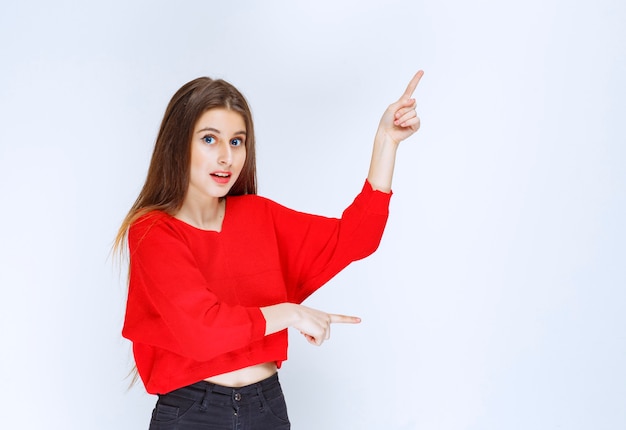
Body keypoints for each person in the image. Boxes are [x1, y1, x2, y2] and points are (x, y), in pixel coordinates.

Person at [115, 70, 424, 429]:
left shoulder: (257, 215)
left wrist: (387, 142)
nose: (226, 157)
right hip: (191, 414)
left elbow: (356, 239)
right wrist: (290, 313)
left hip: (267, 408)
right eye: (209, 139)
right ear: (178, 143)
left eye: (236, 142)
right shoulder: (152, 232)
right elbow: (202, 330)